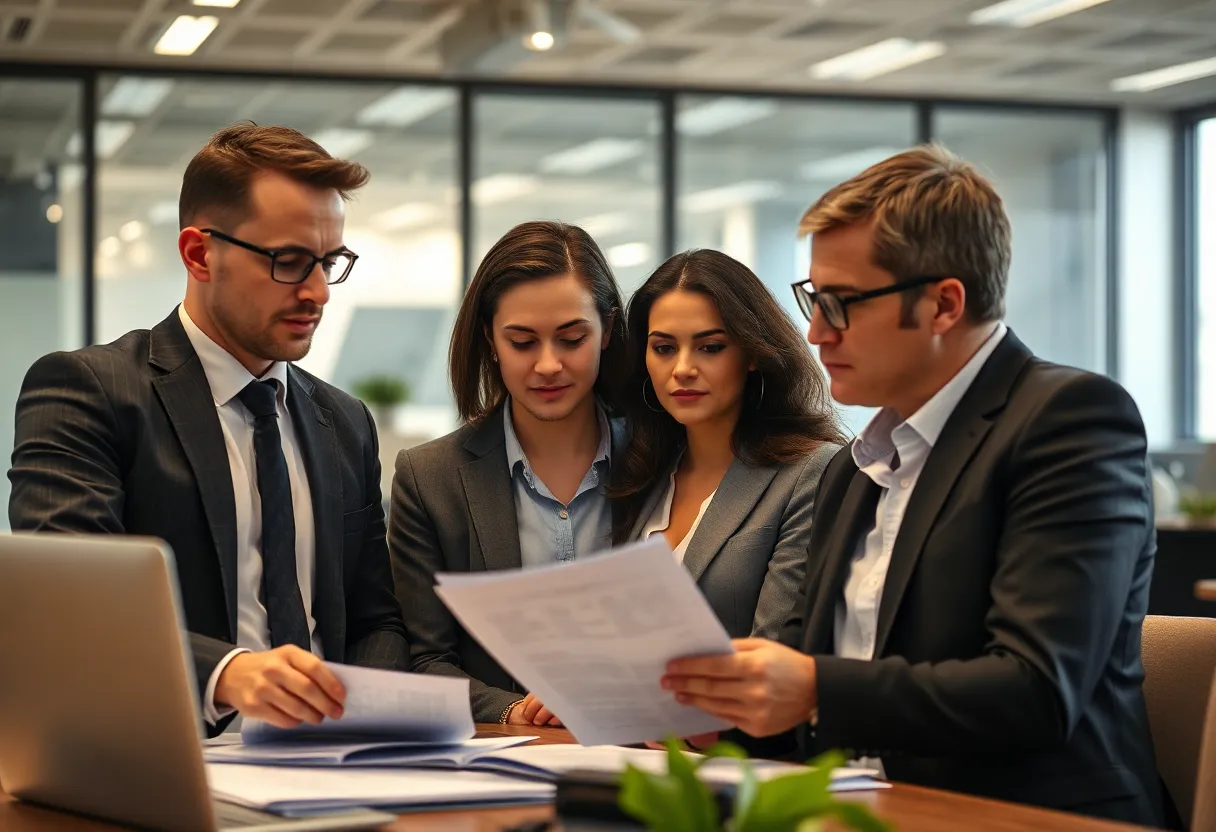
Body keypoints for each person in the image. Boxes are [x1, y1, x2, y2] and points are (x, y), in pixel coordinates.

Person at [661, 145, 1164, 826]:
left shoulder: (1068, 421)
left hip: (1024, 816)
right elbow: (813, 695)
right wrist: (724, 714)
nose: (815, 332)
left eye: (840, 304)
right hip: (859, 809)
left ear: (944, 305)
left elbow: (1037, 690)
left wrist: (811, 688)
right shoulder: (854, 469)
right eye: (813, 300)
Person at [9, 123, 407, 737]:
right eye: (289, 261)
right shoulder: (92, 391)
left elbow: (374, 619)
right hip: (164, 755)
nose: (318, 292)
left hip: (333, 761)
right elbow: (68, 602)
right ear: (199, 254)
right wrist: (227, 673)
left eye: (330, 263)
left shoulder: (345, 422)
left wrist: (364, 724)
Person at [389, 220, 627, 726]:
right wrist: (515, 711)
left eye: (572, 339)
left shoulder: (664, 459)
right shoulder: (431, 479)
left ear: (607, 330)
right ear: (490, 339)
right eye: (522, 342)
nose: (548, 365)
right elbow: (424, 660)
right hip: (507, 755)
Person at [611, 249, 843, 640]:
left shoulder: (810, 472)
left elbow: (776, 646)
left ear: (751, 352)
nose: (683, 369)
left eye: (710, 347)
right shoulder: (641, 470)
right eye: (664, 348)